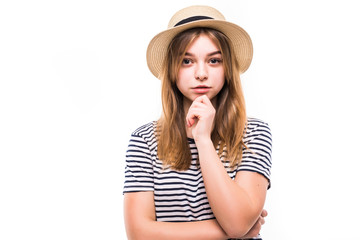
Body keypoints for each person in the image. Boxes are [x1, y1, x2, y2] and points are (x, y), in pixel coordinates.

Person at [123, 5, 272, 240]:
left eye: (214, 60)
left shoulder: (253, 133)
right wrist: (235, 229)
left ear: (227, 69)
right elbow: (139, 234)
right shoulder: (145, 140)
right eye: (186, 61)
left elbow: (237, 223)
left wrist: (203, 139)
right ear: (172, 69)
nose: (201, 73)